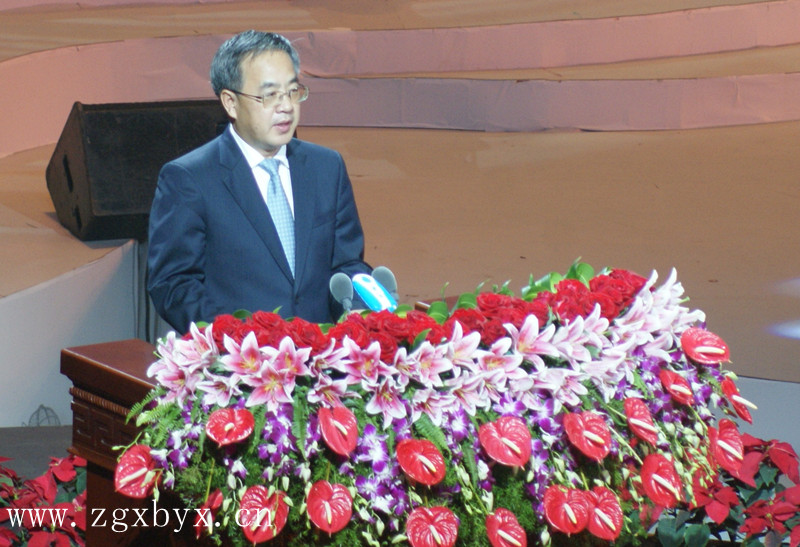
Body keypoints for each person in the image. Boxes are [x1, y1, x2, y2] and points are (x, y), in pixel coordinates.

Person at [147, 30, 370, 333]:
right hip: (242, 357)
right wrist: (240, 339)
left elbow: (346, 265)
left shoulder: (326, 167)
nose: (286, 106)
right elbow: (173, 285)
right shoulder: (189, 179)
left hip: (320, 353)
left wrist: (359, 307)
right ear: (231, 103)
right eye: (269, 95)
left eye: (292, 91)